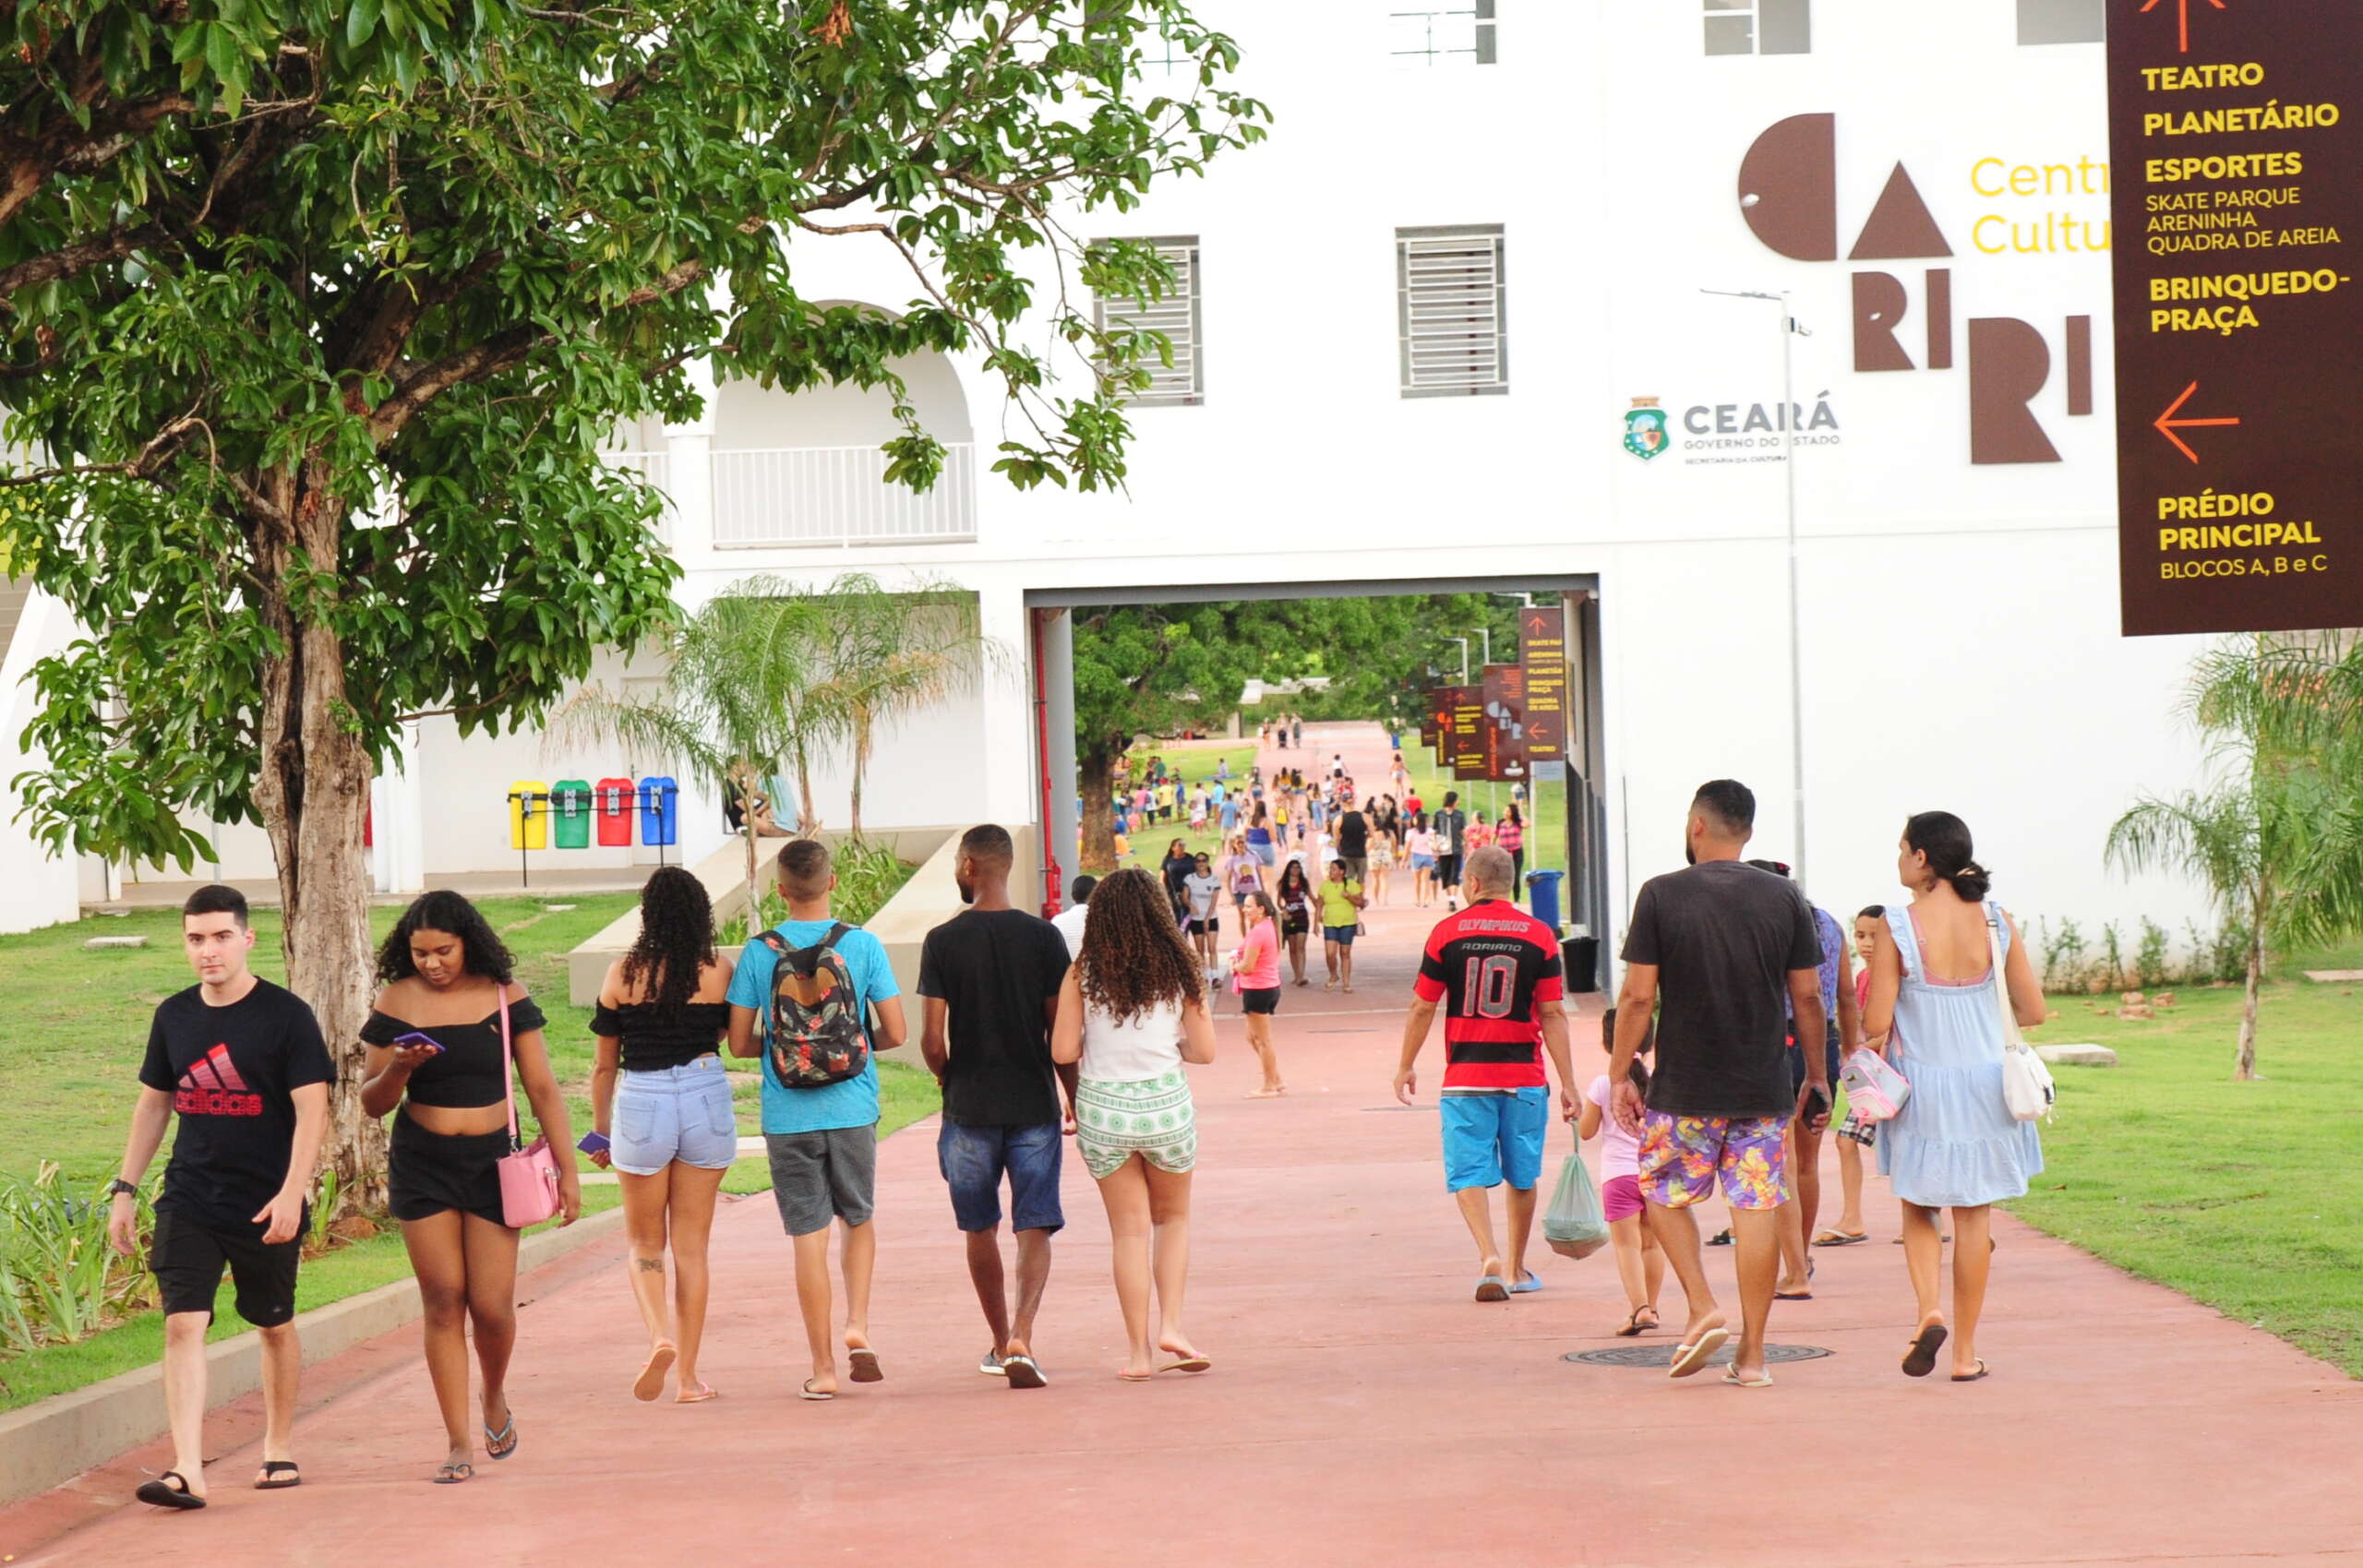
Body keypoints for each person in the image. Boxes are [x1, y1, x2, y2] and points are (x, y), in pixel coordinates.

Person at [110, 885, 331, 1510]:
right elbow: (155, 1102)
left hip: (265, 1200)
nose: (208, 950)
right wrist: (125, 1189)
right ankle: (186, 1467)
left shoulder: (286, 1015)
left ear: (246, 938)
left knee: (273, 1322)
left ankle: (278, 1443)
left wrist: (293, 1190)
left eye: (220, 936)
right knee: (184, 1321)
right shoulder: (174, 1015)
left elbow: (312, 1107)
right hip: (190, 1195)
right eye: (196, 938)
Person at [1605, 780, 1826, 1389]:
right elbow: (1807, 995)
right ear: (1748, 831)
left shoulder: (1661, 895)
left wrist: (1621, 1071)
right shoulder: (1785, 897)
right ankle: (1753, 1356)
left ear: (1695, 825)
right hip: (1762, 1088)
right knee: (1756, 1208)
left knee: (1661, 1191)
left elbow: (1638, 994)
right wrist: (1816, 1075)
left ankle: (1703, 1304)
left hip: (1684, 1088)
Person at [361, 891, 582, 1483]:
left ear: (469, 943)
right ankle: (458, 1442)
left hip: (492, 1163)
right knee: (442, 1300)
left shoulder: (504, 996)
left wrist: (569, 1169)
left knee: (491, 1307)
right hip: (423, 1161)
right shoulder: (396, 999)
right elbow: (371, 1104)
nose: (432, 963)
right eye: (420, 953)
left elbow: (542, 1088)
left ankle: (494, 1394)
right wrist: (401, 1067)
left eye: (444, 951)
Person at [1865, 812, 2046, 1382]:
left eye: (1901, 849)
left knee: (1919, 1206)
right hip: (1988, 1085)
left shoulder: (1898, 926)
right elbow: (2034, 1011)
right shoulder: (1997, 920)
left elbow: (1875, 1019)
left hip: (1924, 1085)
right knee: (1974, 1219)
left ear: (1922, 859)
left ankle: (1929, 1311)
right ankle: (1965, 1354)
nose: (1898, 859)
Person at [727, 839, 910, 1401]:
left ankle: (824, 1366)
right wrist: (849, 1047)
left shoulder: (759, 952)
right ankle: (858, 1322)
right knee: (857, 1216)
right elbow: (897, 1033)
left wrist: (791, 1052)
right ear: (832, 883)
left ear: (780, 889)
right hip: (854, 1107)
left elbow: (738, 1043)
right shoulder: (863, 945)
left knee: (807, 1234)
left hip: (787, 1114)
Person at [918, 824, 1075, 1389]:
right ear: (1006, 867)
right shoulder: (1043, 939)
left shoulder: (942, 941)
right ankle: (1023, 1339)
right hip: (1033, 1101)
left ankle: (997, 1337)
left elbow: (933, 1042)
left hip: (968, 1106)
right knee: (1034, 1225)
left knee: (979, 1228)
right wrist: (1073, 1097)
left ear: (967, 866)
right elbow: (1060, 1033)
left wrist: (945, 1078)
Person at [1050, 869, 1218, 1379]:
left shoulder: (1082, 972)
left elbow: (1061, 1050)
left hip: (1103, 1110)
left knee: (1128, 1233)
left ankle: (1138, 1354)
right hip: (1164, 1107)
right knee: (1174, 1220)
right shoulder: (1179, 970)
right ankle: (1172, 1325)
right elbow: (1205, 1052)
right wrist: (1175, 1046)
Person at [1393, 847, 1577, 1299]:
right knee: (1522, 1174)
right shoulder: (1539, 936)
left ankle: (1488, 1255)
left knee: (1468, 1170)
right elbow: (1552, 1013)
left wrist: (1405, 1064)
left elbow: (1423, 1004)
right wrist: (1569, 1081)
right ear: (1510, 883)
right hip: (1524, 1077)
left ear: (1472, 883)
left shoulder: (1446, 933)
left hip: (1466, 1075)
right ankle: (1516, 1267)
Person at [588, 867, 736, 1405]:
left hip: (642, 1102)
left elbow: (605, 1067)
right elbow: (725, 1033)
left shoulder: (620, 974)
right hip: (705, 1092)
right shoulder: (720, 969)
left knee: (644, 1242)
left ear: (648, 915)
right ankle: (689, 1378)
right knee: (692, 1248)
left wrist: (599, 1133)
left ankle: (659, 1337)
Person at [1745, 859, 1860, 1301]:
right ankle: (1802, 1254)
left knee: (1780, 1164)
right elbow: (1846, 995)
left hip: (1775, 1043)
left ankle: (1794, 1269)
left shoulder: (1764, 925)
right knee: (1807, 1163)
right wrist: (1850, 1050)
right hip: (1822, 1045)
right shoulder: (1829, 925)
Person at [1579, 1006, 1663, 1337]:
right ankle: (1653, 1309)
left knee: (1627, 1246)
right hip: (1654, 1174)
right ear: (1652, 1042)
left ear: (1607, 1044)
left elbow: (1586, 1131)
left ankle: (1638, 1308)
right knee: (1652, 1245)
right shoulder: (1659, 1083)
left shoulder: (1603, 1085)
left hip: (1617, 1176)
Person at [1818, 904, 1887, 1246]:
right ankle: (1852, 1218)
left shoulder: (1895, 977)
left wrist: (1863, 1048)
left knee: (1899, 1146)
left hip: (1892, 1077)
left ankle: (1935, 1218)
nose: (1867, 943)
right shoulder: (1861, 977)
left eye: (1875, 935)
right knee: (1848, 1141)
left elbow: (1894, 1029)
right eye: (1861, 935)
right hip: (1872, 1079)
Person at [1230, 891, 1288, 1096]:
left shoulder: (1259, 931)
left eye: (1248, 906)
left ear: (1261, 909)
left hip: (1259, 988)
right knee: (1252, 1037)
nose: (1245, 910)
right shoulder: (1267, 927)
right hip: (1265, 986)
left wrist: (1235, 965)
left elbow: (1248, 966)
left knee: (1263, 1040)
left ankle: (1269, 1084)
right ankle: (1275, 1078)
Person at [1318, 857, 1367, 993]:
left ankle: (1346, 982)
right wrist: (1317, 920)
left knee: (1345, 953)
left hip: (1347, 922)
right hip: (1330, 922)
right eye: (1330, 869)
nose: (1331, 871)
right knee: (1330, 953)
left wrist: (1349, 897)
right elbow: (1319, 903)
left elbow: (1361, 903)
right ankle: (1333, 975)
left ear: (1341, 871)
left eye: (1334, 869)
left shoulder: (1351, 884)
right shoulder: (1325, 885)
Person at [1182, 851, 1225, 981]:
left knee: (1212, 947)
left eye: (1203, 861)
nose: (1201, 863)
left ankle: (1215, 975)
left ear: (1207, 862)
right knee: (1200, 949)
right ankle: (1204, 975)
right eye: (1198, 861)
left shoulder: (1213, 880)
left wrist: (1207, 918)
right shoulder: (1190, 879)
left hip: (1211, 918)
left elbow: (1214, 901)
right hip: (1196, 918)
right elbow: (1184, 897)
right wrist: (1190, 905)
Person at [1275, 857, 1315, 987]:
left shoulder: (1304, 883)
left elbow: (1312, 898)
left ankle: (1301, 976)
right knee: (1292, 948)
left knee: (1300, 946)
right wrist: (1283, 911)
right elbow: (1278, 902)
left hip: (1302, 917)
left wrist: (1320, 909)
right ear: (1289, 869)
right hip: (1289, 919)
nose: (1296, 870)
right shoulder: (1283, 884)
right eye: (1293, 867)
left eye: (1298, 867)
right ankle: (1296, 975)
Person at [1433, 791, 1469, 911]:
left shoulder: (1460, 814)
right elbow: (1435, 831)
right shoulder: (1438, 814)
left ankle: (1453, 900)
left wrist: (1466, 842)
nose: (1459, 802)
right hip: (1443, 850)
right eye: (1457, 799)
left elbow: (1462, 831)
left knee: (1454, 875)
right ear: (1452, 800)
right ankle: (1450, 899)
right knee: (1446, 876)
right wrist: (1435, 845)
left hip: (1456, 849)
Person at [1052, 873, 1098, 960]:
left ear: (1072, 896)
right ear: (1096, 895)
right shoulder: (1103, 921)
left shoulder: (1057, 921)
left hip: (1067, 971)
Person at [1335, 797, 1370, 888]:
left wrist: (1337, 849)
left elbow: (1336, 839)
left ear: (1343, 805)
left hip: (1345, 853)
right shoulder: (1364, 817)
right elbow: (1371, 834)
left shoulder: (1339, 819)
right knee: (1361, 880)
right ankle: (1360, 899)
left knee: (1348, 880)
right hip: (1361, 852)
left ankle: (1350, 900)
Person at [1159, 837, 1196, 924]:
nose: (1182, 847)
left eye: (1184, 845)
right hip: (1174, 893)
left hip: (1189, 893)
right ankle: (1182, 935)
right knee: (1178, 918)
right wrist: (1163, 891)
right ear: (1173, 848)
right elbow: (1162, 877)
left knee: (1189, 917)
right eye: (1179, 845)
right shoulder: (1168, 860)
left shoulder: (1189, 858)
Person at [1406, 813, 1437, 908]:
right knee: (1426, 880)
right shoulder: (1430, 831)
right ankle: (1426, 900)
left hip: (1416, 856)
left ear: (1417, 821)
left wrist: (1404, 859)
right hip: (1428, 856)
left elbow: (1407, 846)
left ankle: (1418, 900)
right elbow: (1434, 845)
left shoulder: (1411, 832)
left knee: (1417, 881)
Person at [1499, 803, 1527, 885]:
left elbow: (1527, 824)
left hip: (1517, 852)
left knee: (1515, 876)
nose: (1506, 813)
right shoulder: (1500, 823)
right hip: (1504, 852)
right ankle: (1504, 895)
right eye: (1505, 811)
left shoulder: (1517, 823)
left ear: (1513, 813)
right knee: (1504, 875)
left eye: (1508, 811)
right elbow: (1495, 835)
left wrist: (1521, 813)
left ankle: (1516, 897)